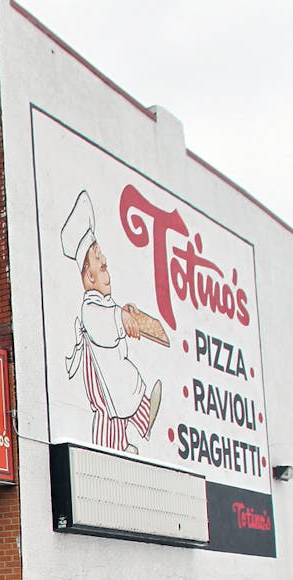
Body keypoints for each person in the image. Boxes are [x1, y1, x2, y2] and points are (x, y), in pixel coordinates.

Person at [61, 191, 166, 454]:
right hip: (103, 377)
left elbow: (114, 316)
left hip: (114, 371)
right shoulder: (90, 307)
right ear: (89, 277)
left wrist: (126, 311)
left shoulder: (105, 304)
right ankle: (114, 448)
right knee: (108, 411)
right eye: (103, 267)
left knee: (126, 390)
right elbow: (103, 326)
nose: (108, 274)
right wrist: (121, 317)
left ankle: (141, 421)